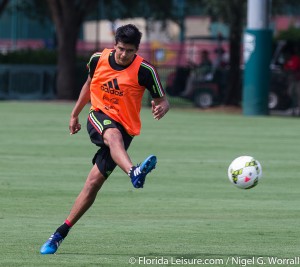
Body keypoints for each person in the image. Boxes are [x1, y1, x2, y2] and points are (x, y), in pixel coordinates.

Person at [40, 24, 170, 254]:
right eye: (121, 48)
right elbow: (89, 85)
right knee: (111, 133)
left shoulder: (145, 70)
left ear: (136, 50)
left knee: (92, 184)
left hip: (126, 130)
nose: (124, 54)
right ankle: (134, 172)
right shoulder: (98, 59)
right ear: (115, 45)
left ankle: (58, 234)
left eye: (129, 51)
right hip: (99, 116)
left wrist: (161, 108)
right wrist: (74, 114)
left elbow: (162, 100)